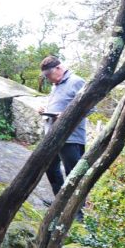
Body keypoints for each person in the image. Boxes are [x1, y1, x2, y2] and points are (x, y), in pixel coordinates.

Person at [37, 56, 88, 218]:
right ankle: (60, 203)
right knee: (50, 169)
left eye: (49, 75)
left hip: (71, 137)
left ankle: (77, 212)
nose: (48, 79)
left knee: (73, 174)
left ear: (59, 68)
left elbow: (90, 108)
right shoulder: (56, 85)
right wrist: (45, 108)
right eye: (46, 76)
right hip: (53, 136)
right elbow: (61, 103)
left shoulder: (77, 82)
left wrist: (65, 116)